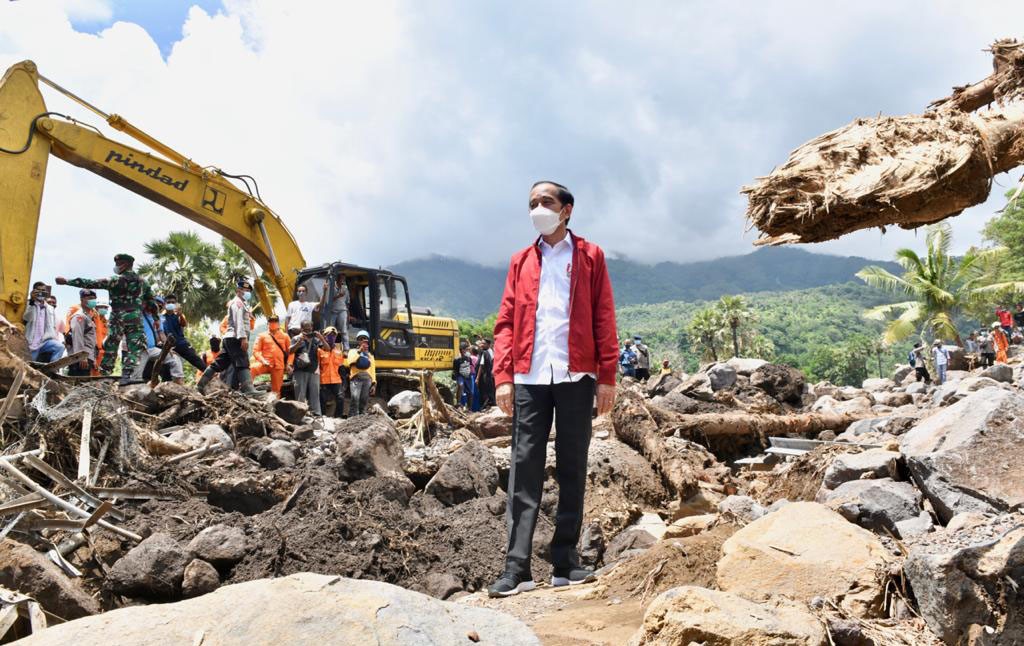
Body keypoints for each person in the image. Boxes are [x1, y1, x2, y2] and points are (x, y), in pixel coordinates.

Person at [489, 180, 617, 598]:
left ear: (567, 211)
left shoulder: (590, 256)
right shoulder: (520, 260)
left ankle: (566, 562)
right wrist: (503, 376)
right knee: (524, 468)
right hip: (529, 377)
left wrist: (608, 378)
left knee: (572, 466)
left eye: (546, 202)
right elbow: (506, 321)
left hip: (576, 375)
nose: (537, 208)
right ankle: (517, 569)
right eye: (531, 203)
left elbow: (603, 316)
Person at [57, 253, 153, 385]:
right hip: (134, 317)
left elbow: (91, 283)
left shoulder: (115, 280)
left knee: (111, 345)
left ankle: (104, 374)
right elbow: (151, 302)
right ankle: (127, 375)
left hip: (117, 317)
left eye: (118, 264)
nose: (116, 267)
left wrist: (67, 281)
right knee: (135, 346)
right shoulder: (143, 282)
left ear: (124, 265)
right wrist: (156, 318)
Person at [198, 280, 257, 395]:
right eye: (244, 290)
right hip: (235, 337)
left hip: (229, 338)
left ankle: (200, 385)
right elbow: (238, 321)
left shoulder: (240, 303)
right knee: (243, 362)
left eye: (248, 291)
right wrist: (243, 338)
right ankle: (249, 389)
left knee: (220, 363)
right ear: (238, 290)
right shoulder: (238, 303)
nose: (246, 292)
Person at [134, 298, 184, 384]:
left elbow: (161, 333)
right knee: (136, 377)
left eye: (160, 305)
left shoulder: (156, 318)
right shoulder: (138, 314)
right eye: (156, 304)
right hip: (140, 350)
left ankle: (178, 385)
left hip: (152, 349)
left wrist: (168, 348)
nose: (157, 306)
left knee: (174, 359)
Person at [160, 295, 207, 372]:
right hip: (168, 346)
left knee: (195, 359)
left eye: (173, 302)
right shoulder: (161, 317)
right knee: (167, 368)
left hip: (181, 343)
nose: (170, 304)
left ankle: (210, 375)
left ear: (176, 304)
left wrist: (180, 315)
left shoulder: (179, 316)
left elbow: (184, 324)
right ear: (165, 304)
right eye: (168, 302)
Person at [250, 316, 291, 396]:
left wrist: (289, 363)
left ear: (278, 323)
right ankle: (247, 390)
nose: (273, 323)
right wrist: (262, 360)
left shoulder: (285, 336)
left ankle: (275, 404)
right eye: (271, 321)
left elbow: (291, 352)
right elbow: (256, 351)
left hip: (278, 365)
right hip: (265, 363)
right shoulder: (261, 336)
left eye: (275, 321)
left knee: (276, 390)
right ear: (267, 323)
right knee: (252, 369)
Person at [22, 284, 64, 362]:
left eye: (43, 291)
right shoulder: (28, 303)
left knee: (60, 347)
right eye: (38, 290)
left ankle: (52, 369)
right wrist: (32, 301)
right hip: (32, 343)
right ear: (33, 291)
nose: (41, 292)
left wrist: (53, 338)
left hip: (45, 341)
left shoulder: (50, 308)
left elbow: (53, 326)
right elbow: (27, 318)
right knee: (29, 366)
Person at [289, 320, 324, 415]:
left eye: (309, 329)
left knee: (315, 396)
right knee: (300, 395)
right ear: (301, 328)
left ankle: (316, 415)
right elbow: (290, 351)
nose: (308, 332)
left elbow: (328, 348)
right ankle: (300, 416)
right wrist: (299, 342)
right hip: (299, 371)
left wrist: (321, 338)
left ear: (312, 328)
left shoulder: (316, 339)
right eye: (305, 329)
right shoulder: (296, 338)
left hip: (313, 371)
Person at [66, 289, 98, 377]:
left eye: (94, 298)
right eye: (89, 298)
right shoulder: (79, 316)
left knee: (83, 387)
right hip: (80, 358)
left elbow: (91, 341)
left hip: (87, 356)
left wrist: (93, 358)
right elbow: (77, 336)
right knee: (77, 385)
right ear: (81, 300)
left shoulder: (89, 317)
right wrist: (81, 356)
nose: (93, 300)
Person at [318, 326, 347, 417]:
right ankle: (323, 418)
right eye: (329, 335)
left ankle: (337, 417)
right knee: (322, 400)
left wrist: (344, 383)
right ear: (324, 336)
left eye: (334, 336)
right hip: (323, 380)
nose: (332, 337)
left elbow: (341, 369)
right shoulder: (319, 351)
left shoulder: (338, 352)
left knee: (341, 398)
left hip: (336, 380)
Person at [347, 330, 376, 416]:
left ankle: (362, 418)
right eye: (361, 339)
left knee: (364, 400)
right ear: (358, 341)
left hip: (367, 380)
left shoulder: (370, 356)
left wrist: (374, 383)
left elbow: (372, 370)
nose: (363, 341)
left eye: (365, 339)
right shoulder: (353, 351)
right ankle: (352, 418)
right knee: (355, 399)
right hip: (356, 378)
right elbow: (350, 361)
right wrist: (360, 351)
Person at [321, 274, 350, 350]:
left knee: (344, 330)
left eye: (344, 279)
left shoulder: (345, 289)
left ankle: (346, 349)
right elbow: (328, 301)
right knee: (330, 330)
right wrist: (338, 296)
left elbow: (347, 302)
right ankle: (329, 347)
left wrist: (348, 314)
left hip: (342, 310)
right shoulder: (331, 288)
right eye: (341, 279)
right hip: (333, 311)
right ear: (337, 279)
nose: (343, 281)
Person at [453, 343, 475, 409]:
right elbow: (455, 370)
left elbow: (471, 365)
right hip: (460, 375)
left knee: (470, 392)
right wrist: (457, 378)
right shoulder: (457, 359)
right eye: (466, 349)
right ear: (462, 350)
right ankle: (458, 403)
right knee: (460, 385)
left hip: (468, 376)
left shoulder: (468, 358)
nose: (467, 351)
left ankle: (469, 407)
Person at [476, 339, 496, 409]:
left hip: (487, 375)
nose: (482, 345)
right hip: (488, 375)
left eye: (483, 344)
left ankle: (488, 405)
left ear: (488, 345)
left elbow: (481, 365)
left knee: (486, 390)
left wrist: (477, 378)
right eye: (481, 343)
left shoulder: (486, 352)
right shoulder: (487, 352)